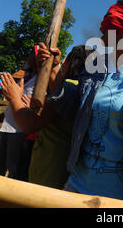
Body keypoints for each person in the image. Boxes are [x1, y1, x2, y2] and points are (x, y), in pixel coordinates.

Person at [0, 0, 123, 208]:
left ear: (120, 30)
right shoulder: (95, 69)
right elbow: (70, 107)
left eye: (106, 29)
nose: (101, 36)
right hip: (78, 186)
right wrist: (55, 68)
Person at [26, 45, 92, 189]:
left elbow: (29, 125)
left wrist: (14, 98)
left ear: (70, 63)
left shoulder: (71, 89)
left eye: (65, 61)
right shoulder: (83, 91)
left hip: (50, 169)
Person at [0, 54, 38, 181]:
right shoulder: (25, 78)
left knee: (15, 169)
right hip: (7, 126)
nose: (27, 59)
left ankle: (9, 197)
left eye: (31, 56)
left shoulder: (41, 81)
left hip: (21, 131)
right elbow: (15, 98)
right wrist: (4, 113)